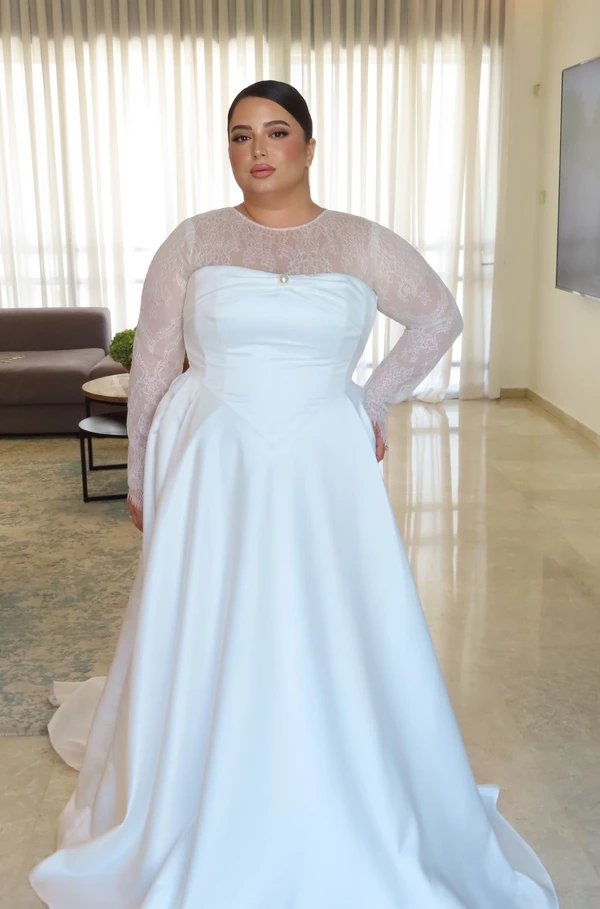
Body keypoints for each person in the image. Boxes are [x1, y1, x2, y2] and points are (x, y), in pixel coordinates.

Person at [29, 80, 559, 908]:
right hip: (214, 462)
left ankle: (330, 776)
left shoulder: (362, 242)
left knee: (327, 617)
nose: (258, 151)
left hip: (321, 460)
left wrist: (372, 400)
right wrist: (140, 473)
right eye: (240, 136)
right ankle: (199, 786)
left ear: (311, 145)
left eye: (276, 132)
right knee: (212, 615)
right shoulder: (194, 240)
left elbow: (439, 319)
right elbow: (155, 364)